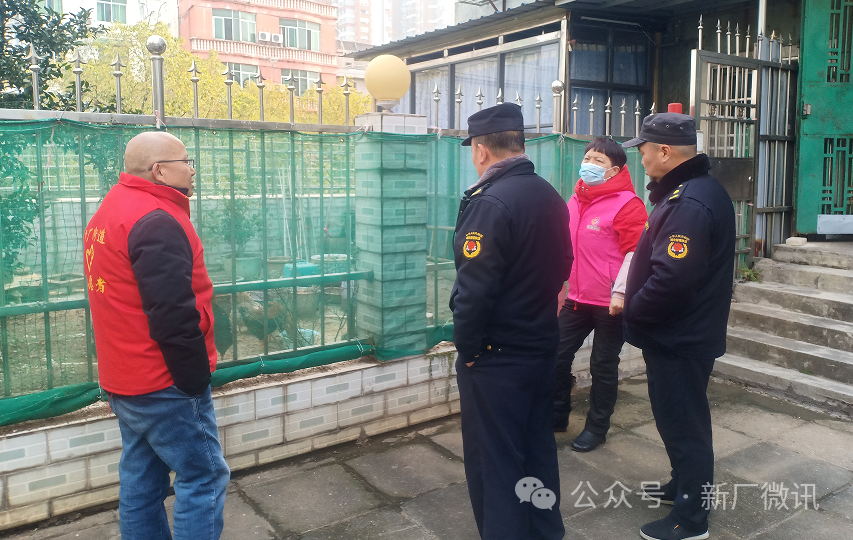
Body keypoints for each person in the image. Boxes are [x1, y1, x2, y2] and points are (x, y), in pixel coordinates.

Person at [83, 131, 230, 540]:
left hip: (125, 378)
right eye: (186, 161)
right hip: (162, 381)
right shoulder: (156, 221)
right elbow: (172, 315)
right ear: (159, 170)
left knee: (142, 480)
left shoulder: (113, 208)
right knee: (203, 477)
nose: (192, 170)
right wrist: (193, 381)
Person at [450, 103, 572, 540]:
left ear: (481, 150)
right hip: (540, 345)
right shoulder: (549, 195)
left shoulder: (490, 202)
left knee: (495, 463)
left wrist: (468, 350)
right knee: (536, 450)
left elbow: (474, 292)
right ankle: (545, 531)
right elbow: (563, 265)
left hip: (496, 357)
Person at [622, 113, 735, 540]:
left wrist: (633, 310)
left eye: (644, 151)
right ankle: (681, 485)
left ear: (665, 152)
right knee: (675, 419)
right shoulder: (690, 191)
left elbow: (672, 279)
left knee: (685, 425)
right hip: (680, 333)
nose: (642, 159)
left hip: (680, 338)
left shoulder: (689, 202)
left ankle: (691, 519)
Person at [553, 138, 647, 453]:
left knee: (602, 364)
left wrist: (620, 292)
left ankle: (596, 428)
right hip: (576, 299)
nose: (590, 165)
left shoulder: (628, 203)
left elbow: (635, 253)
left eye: (599, 161)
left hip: (611, 303)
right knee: (555, 354)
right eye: (588, 158)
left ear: (614, 170)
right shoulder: (576, 199)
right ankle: (556, 414)